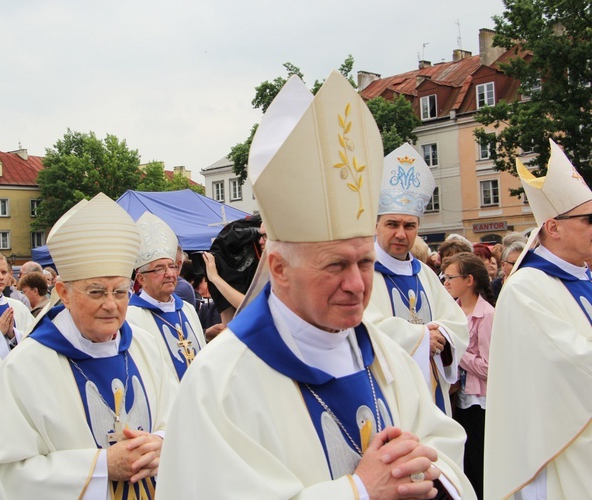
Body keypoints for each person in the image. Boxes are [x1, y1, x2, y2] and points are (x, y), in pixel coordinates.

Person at [157, 71, 473, 499]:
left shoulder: (383, 354)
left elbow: (443, 443)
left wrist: (427, 474)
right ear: (279, 267)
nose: (357, 285)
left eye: (364, 262)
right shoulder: (221, 382)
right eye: (335, 265)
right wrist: (360, 491)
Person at [0, 194, 177, 499]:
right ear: (63, 293)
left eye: (120, 291)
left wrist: (161, 443)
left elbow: (178, 420)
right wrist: (101, 466)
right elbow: (5, 475)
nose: (110, 305)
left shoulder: (145, 348)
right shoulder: (27, 366)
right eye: (96, 292)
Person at [485, 140, 592, 499]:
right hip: (560, 446)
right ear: (554, 226)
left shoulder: (584, 276)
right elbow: (568, 365)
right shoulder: (527, 288)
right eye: (589, 220)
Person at [366, 143, 468, 415]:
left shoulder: (425, 274)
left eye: (409, 225)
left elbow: (457, 323)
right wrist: (422, 337)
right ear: (376, 226)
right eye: (392, 224)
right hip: (387, 395)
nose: (401, 233)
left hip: (430, 391)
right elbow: (361, 328)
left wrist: (442, 335)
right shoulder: (362, 272)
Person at [126, 212, 206, 381]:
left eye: (172, 266)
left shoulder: (187, 309)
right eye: (159, 268)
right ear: (141, 278)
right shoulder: (131, 317)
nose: (170, 274)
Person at [442, 252, 494, 499]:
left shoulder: (487, 315)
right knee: (465, 466)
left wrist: (458, 349)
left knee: (480, 463)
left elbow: (489, 367)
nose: (446, 283)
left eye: (451, 277)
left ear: (469, 280)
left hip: (479, 402)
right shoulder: (452, 310)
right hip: (458, 398)